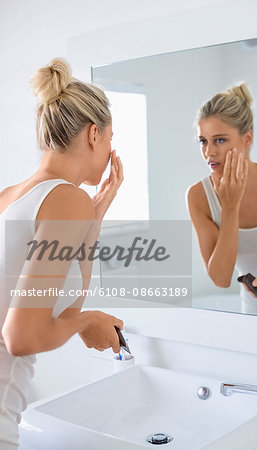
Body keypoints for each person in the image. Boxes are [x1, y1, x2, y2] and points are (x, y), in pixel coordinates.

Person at [0, 58, 124, 448]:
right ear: (93, 134)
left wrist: (96, 216)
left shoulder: (9, 197)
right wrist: (89, 322)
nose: (110, 150)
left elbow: (61, 307)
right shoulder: (67, 199)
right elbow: (20, 338)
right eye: (109, 138)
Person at [187, 82, 257, 319]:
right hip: (254, 317)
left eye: (219, 140)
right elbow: (220, 278)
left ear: (247, 138)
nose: (209, 152)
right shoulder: (199, 196)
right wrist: (230, 206)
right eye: (203, 141)